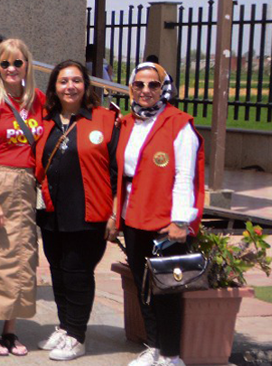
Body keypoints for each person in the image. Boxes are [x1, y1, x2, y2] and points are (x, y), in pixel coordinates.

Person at [114, 62, 202, 366]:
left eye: (153, 84)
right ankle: (153, 346)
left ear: (164, 88)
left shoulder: (179, 124)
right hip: (134, 216)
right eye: (139, 84)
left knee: (168, 289)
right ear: (131, 88)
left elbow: (185, 176)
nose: (146, 90)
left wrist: (180, 221)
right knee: (143, 286)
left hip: (166, 222)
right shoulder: (128, 123)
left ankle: (171, 355)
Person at [33, 61, 119, 361]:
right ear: (54, 87)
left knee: (77, 274)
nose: (70, 86)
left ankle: (77, 336)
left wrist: (114, 214)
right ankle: (65, 326)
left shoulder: (106, 120)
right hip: (51, 213)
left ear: (86, 85)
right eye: (63, 81)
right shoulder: (45, 121)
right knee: (57, 271)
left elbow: (117, 172)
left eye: (76, 81)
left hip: (88, 213)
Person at [0, 39, 45, 357]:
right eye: (5, 63)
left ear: (27, 65)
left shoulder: (39, 100)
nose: (11, 69)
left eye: (17, 62)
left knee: (21, 258)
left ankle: (10, 329)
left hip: (25, 186)